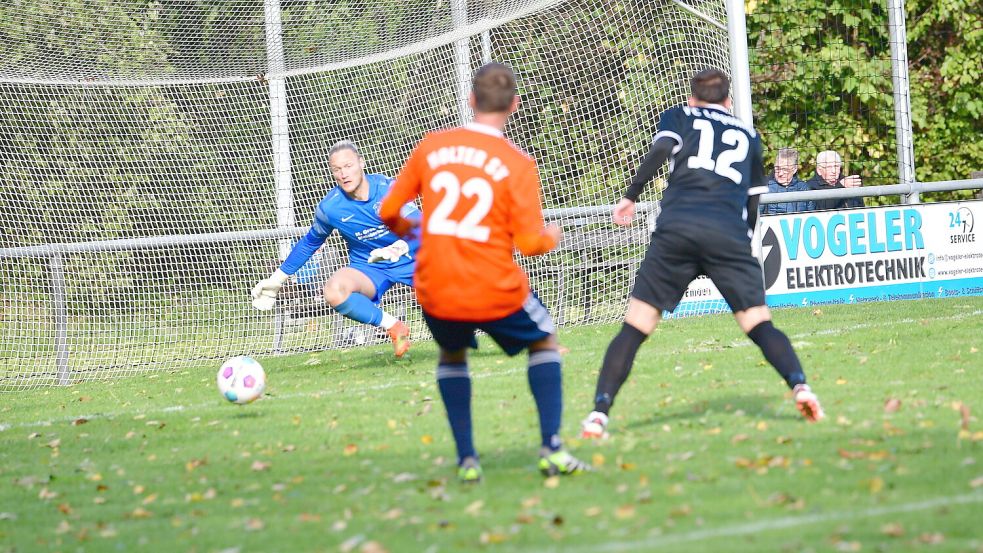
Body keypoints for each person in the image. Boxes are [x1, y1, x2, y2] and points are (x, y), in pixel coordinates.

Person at [580, 68, 825, 440]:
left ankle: (599, 414)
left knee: (635, 327)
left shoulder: (681, 115)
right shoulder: (749, 135)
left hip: (678, 228)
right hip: (727, 233)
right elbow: (755, 197)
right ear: (728, 101)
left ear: (693, 97)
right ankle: (800, 386)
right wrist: (743, 236)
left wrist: (630, 196)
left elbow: (661, 150)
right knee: (759, 323)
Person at [379, 62, 589, 483]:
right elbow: (528, 244)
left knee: (452, 355)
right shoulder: (517, 162)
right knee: (545, 341)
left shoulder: (432, 146)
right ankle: (551, 448)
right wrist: (552, 235)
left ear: (471, 100)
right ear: (514, 105)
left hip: (437, 284)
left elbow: (388, 211)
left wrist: (414, 228)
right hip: (493, 285)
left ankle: (467, 460)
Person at [251, 140, 418, 358]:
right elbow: (310, 242)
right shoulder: (330, 208)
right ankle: (395, 328)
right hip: (370, 268)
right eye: (337, 169)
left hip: (412, 258)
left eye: (348, 166)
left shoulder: (388, 189)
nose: (343, 174)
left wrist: (397, 247)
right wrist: (276, 280)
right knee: (334, 291)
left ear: (361, 163)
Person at [762, 147, 814, 214]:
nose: (780, 173)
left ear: (794, 169)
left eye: (785, 170)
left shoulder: (804, 188)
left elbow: (812, 215)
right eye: (777, 168)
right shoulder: (765, 188)